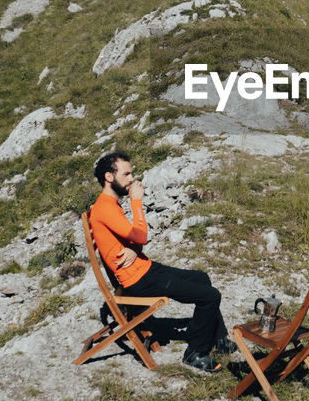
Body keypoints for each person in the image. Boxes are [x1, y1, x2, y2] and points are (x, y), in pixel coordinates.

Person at [89, 151, 230, 372]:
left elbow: (134, 240)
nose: (131, 179)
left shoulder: (108, 205)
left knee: (202, 278)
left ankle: (220, 339)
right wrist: (137, 202)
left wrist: (134, 249)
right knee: (211, 296)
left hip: (145, 269)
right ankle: (195, 353)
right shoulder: (105, 207)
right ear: (109, 177)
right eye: (126, 174)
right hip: (140, 280)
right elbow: (141, 236)